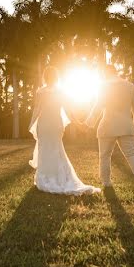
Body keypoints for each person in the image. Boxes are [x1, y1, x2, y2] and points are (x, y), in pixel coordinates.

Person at [28, 66, 99, 195]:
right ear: (56, 77)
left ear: (45, 77)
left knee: (44, 150)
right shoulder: (60, 92)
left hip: (44, 124)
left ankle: (44, 178)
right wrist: (78, 124)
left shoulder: (40, 92)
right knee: (56, 149)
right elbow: (68, 111)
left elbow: (36, 110)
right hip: (56, 124)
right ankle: (59, 178)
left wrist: (31, 124)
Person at [83, 64, 134, 190]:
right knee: (132, 154)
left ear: (105, 73)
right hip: (126, 126)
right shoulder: (129, 86)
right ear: (115, 72)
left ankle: (106, 183)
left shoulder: (103, 86)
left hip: (107, 126)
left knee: (105, 156)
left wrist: (89, 123)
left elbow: (98, 106)